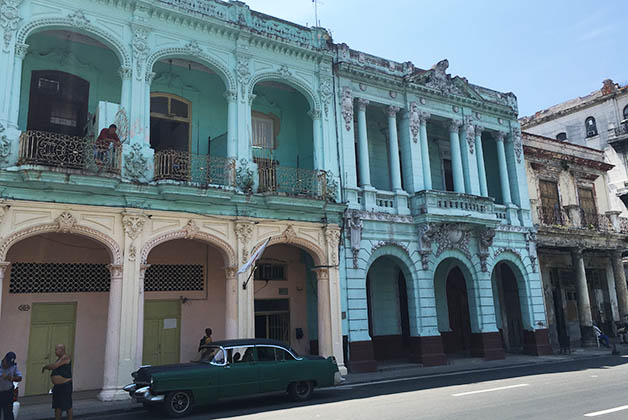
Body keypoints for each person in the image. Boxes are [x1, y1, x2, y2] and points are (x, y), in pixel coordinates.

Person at [42, 344, 72, 420]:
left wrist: (45, 367)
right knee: (57, 406)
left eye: (56, 350)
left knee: (67, 405)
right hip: (58, 386)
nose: (55, 351)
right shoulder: (59, 359)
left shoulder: (65, 358)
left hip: (65, 385)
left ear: (62, 350)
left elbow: (54, 366)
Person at [0, 352, 22, 420]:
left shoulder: (13, 366)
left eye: (10, 364)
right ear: (4, 360)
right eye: (8, 363)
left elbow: (19, 378)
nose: (9, 366)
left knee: (8, 414)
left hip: (8, 393)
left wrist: (11, 378)